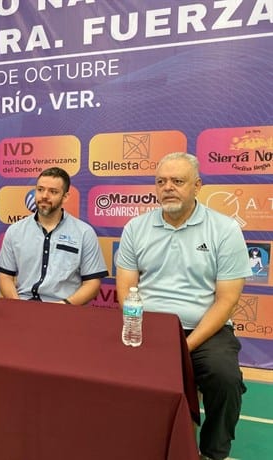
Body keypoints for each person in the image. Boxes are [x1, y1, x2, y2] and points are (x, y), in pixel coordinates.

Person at [115, 152, 252, 460]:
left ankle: (213, 452)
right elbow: (126, 289)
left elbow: (227, 301)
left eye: (178, 181)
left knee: (225, 379)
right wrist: (140, 326)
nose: (168, 188)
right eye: (161, 181)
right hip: (147, 326)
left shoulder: (224, 230)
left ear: (197, 185)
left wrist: (183, 346)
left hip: (204, 329)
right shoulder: (136, 228)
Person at [0, 167, 108, 304]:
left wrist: (64, 306)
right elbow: (5, 276)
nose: (44, 196)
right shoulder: (15, 230)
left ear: (65, 197)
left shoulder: (84, 232)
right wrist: (18, 305)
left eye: (53, 192)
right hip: (23, 304)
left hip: (65, 308)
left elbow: (92, 284)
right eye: (40, 189)